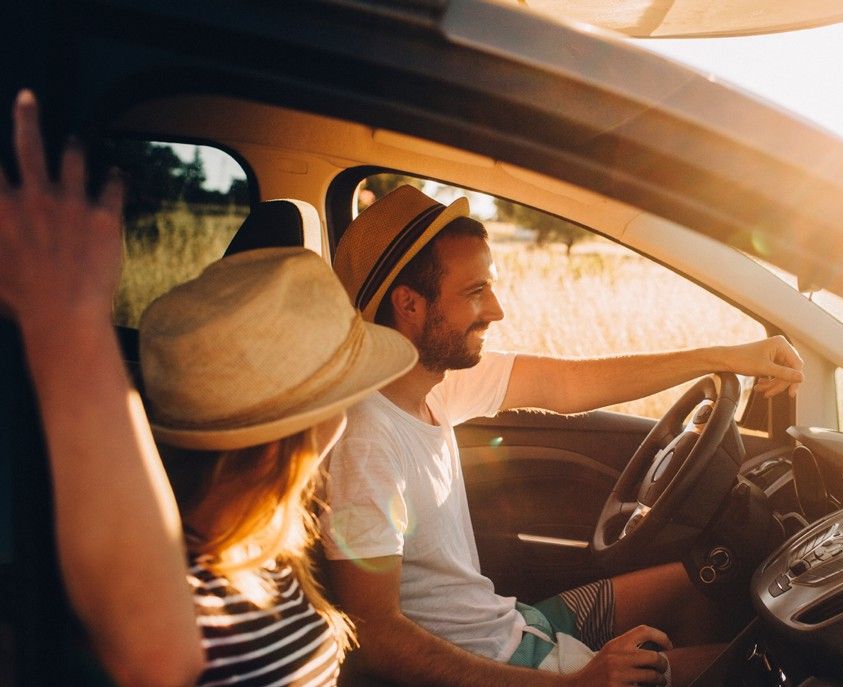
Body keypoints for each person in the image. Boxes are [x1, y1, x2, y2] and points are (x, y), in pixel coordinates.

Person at [0, 90, 418, 685]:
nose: (352, 410)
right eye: (343, 391)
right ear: (289, 436)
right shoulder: (175, 593)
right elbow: (158, 654)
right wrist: (67, 317)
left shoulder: (265, 542)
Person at [321, 185, 806, 686]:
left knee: (695, 580)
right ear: (409, 304)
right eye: (474, 292)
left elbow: (570, 383)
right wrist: (577, 684)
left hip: (515, 625)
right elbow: (375, 637)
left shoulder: (433, 382)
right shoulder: (367, 439)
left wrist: (727, 356)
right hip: (505, 665)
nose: (496, 309)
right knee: (759, 673)